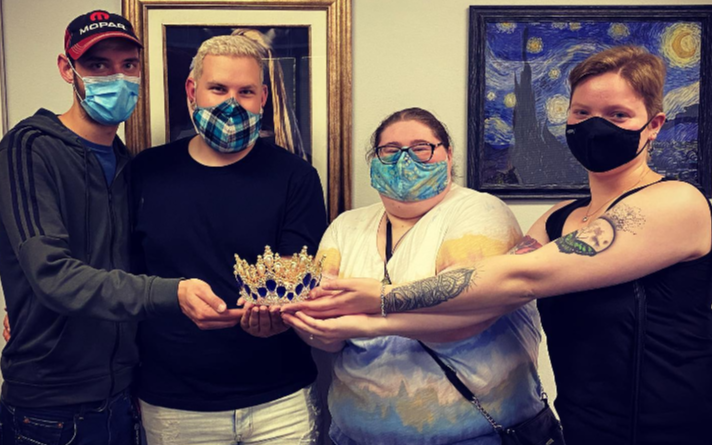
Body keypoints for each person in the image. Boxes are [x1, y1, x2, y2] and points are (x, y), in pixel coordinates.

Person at [288, 46, 712, 445]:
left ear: (654, 125)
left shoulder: (677, 202)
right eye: (582, 113)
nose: (594, 127)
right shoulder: (559, 219)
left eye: (617, 114)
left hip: (670, 428)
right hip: (584, 427)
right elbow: (487, 299)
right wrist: (364, 326)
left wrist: (382, 299)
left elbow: (522, 276)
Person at [0, 10, 240, 445]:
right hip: (50, 407)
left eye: (128, 65)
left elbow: (123, 263)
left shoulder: (128, 164)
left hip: (122, 396)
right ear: (67, 69)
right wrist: (173, 292)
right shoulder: (29, 147)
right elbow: (51, 274)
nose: (117, 78)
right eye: (98, 65)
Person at [283, 107, 550, 445]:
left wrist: (364, 316)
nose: (404, 159)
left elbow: (466, 314)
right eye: (390, 150)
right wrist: (301, 319)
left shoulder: (479, 211)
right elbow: (326, 332)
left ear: (448, 155)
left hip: (474, 435)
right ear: (375, 159)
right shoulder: (346, 226)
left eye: (421, 148)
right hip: (352, 435)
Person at [131, 33, 327, 444]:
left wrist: (277, 313)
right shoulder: (145, 173)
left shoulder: (296, 177)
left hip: (279, 398)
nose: (231, 103)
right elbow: (122, 275)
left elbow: (297, 273)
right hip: (174, 400)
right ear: (192, 91)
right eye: (218, 89)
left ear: (264, 98)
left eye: (246, 92)